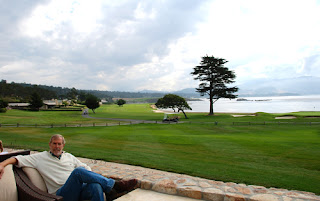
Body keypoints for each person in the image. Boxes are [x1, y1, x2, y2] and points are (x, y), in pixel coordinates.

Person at [0, 134, 137, 201]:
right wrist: (2, 164)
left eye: (59, 144)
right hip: (61, 194)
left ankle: (109, 185)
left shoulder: (69, 156)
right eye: (54, 143)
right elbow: (17, 159)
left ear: (63, 146)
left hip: (79, 189)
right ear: (49, 144)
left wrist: (94, 178)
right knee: (78, 173)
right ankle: (114, 185)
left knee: (95, 185)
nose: (57, 146)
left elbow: (86, 168)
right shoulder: (40, 157)